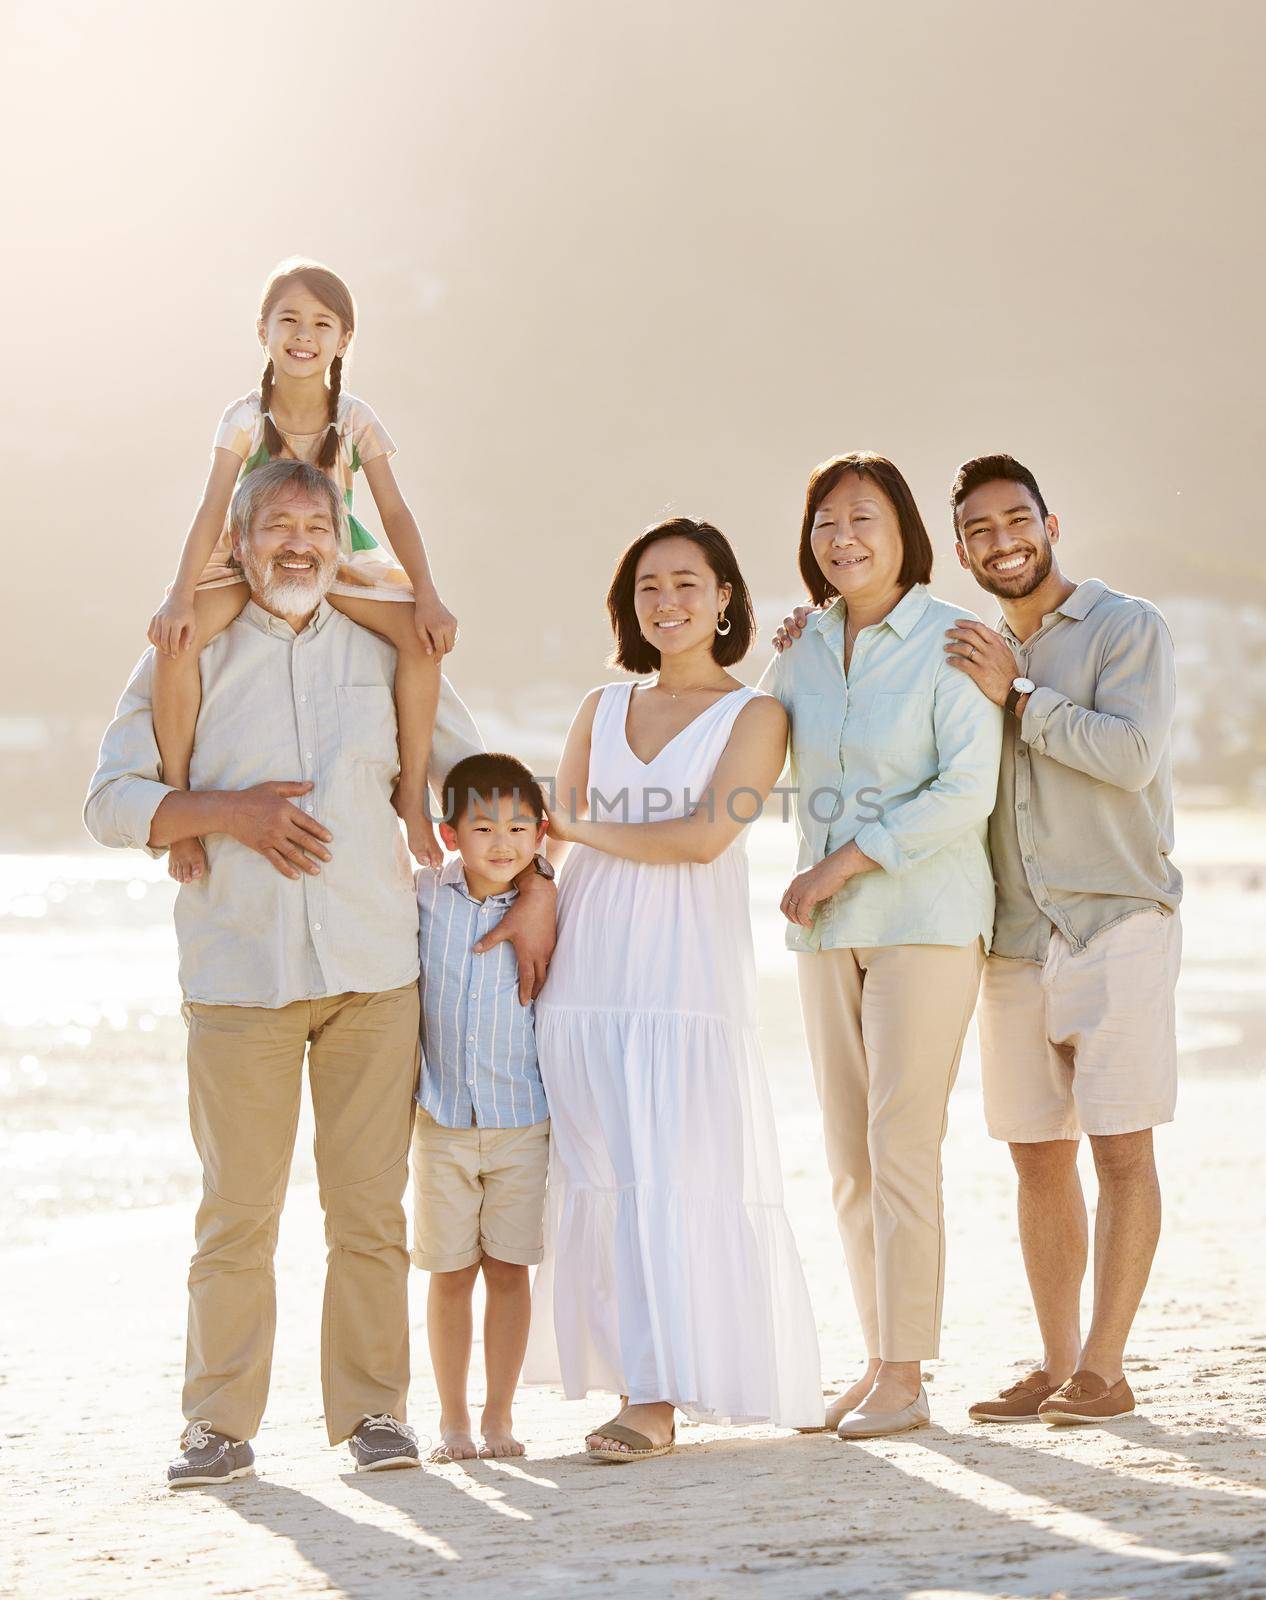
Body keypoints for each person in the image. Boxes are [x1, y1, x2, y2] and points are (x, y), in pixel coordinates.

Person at [83, 459, 556, 1487]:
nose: (297, 544)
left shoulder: (384, 650)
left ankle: (375, 1414)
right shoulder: (187, 650)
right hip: (237, 976)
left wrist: (542, 882)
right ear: (240, 546)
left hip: (374, 972)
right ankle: (217, 1426)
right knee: (238, 1213)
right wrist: (225, 810)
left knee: (369, 1211)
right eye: (276, 528)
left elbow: (484, 790)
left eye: (315, 527)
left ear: (340, 547)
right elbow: (111, 799)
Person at [529, 516, 823, 1461]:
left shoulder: (759, 717)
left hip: (682, 978)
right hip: (583, 977)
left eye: (687, 583)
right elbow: (546, 842)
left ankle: (657, 1400)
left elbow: (702, 838)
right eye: (648, 586)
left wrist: (578, 826)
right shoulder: (597, 707)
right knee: (604, 1177)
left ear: (726, 596)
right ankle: (633, 1385)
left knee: (673, 1172)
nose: (667, 601)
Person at [765, 453, 1001, 1438]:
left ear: (904, 534)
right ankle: (875, 1360)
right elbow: (753, 747)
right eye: (825, 521)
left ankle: (907, 1374)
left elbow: (965, 793)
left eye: (863, 518)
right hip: (827, 931)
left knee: (900, 1142)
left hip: (927, 920)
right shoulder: (803, 648)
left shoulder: (954, 640)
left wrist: (846, 860)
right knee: (848, 1157)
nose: (843, 537)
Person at [943, 454, 1181, 1425]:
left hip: (1116, 918)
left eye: (1016, 520)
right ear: (961, 550)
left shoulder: (1129, 627)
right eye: (980, 531)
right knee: (1036, 1155)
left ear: (1051, 521)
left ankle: (1106, 1366)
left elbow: (1130, 757)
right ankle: (1055, 1363)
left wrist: (1021, 699)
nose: (1003, 542)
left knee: (1122, 1149)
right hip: (1011, 934)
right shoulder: (969, 648)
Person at [147, 257, 459, 884]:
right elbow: (212, 508)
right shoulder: (242, 418)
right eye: (288, 319)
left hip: (332, 554)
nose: (303, 335)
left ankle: (411, 796)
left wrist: (427, 595)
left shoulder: (356, 417)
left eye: (322, 323)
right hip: (247, 554)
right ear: (262, 330)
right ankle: (178, 805)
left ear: (344, 339)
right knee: (175, 646)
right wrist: (179, 596)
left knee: (423, 645)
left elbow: (394, 510)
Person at [411, 753, 552, 1462]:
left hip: (523, 1118)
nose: (503, 842)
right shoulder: (421, 897)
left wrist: (544, 883)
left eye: (520, 827)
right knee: (447, 1273)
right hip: (440, 1121)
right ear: (449, 835)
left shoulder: (547, 905)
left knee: (508, 1271)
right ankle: (452, 1422)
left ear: (541, 834)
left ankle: (499, 1418)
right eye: (484, 827)